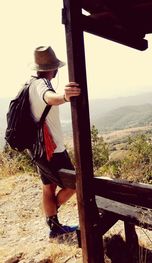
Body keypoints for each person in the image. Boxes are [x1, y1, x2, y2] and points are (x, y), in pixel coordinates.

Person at [28, 46, 81, 239]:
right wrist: (65, 96)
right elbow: (49, 98)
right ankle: (52, 214)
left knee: (48, 187)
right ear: (54, 68)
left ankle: (53, 224)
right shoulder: (42, 84)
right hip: (53, 149)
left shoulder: (30, 84)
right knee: (76, 183)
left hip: (39, 148)